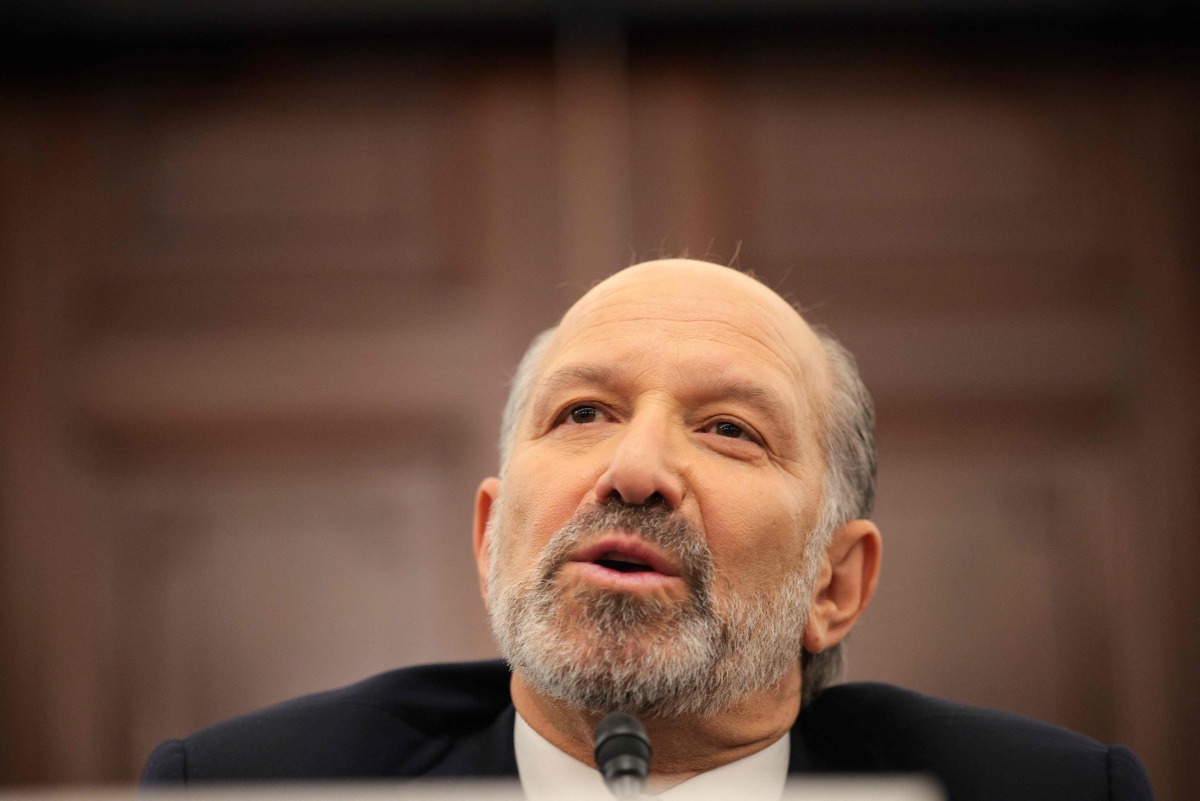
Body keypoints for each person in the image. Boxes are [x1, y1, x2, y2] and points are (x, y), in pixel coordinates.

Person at [142, 259, 1154, 800]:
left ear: (834, 586)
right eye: (583, 414)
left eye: (728, 430)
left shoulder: (1046, 794)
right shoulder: (251, 795)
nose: (634, 471)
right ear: (494, 535)